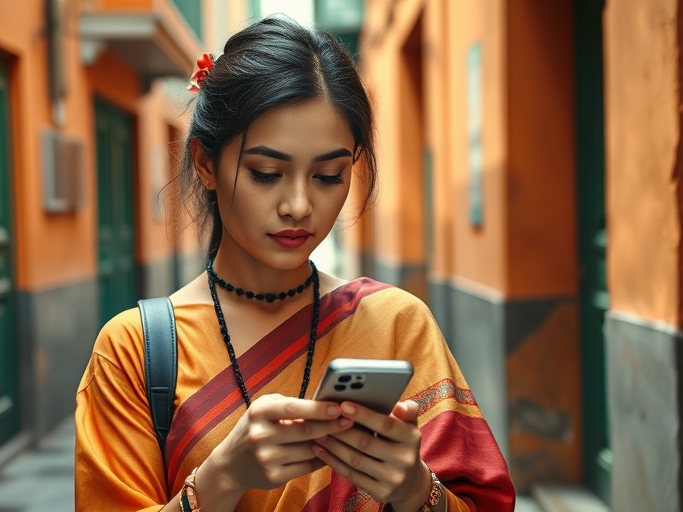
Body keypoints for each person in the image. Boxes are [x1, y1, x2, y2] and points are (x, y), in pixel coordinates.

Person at [75, 16, 516, 512]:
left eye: (329, 175)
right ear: (205, 163)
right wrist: (222, 477)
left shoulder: (396, 326)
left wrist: (416, 489)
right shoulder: (136, 352)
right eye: (267, 173)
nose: (299, 205)